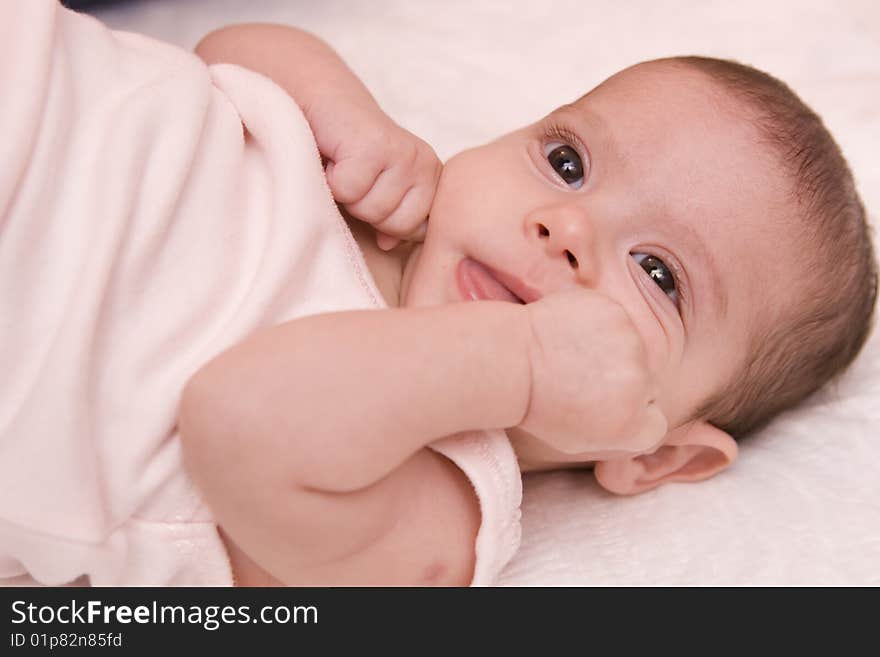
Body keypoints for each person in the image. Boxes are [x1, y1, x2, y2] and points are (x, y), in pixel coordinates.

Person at [1, 1, 875, 587]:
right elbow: (220, 61)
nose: (566, 228)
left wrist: (521, 365)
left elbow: (237, 419)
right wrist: (339, 106)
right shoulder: (388, 194)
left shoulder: (449, 501)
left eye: (659, 274)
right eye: (567, 163)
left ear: (655, 451)